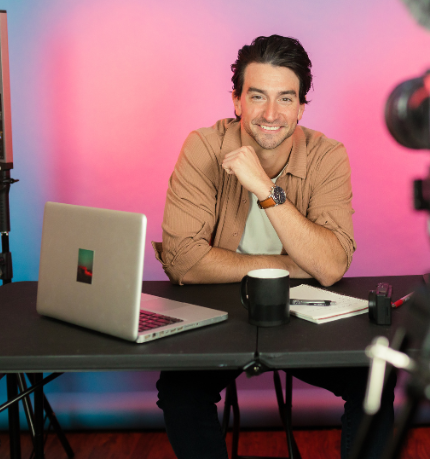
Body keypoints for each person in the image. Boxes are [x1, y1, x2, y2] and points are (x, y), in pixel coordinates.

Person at [155, 35, 395, 459]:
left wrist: (265, 189)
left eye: (285, 98)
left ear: (301, 107)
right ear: (236, 101)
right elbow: (183, 262)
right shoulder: (203, 147)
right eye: (257, 96)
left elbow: (331, 266)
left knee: (375, 380)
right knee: (179, 391)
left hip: (303, 315)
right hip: (219, 312)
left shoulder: (327, 156)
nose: (271, 114)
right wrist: (294, 263)